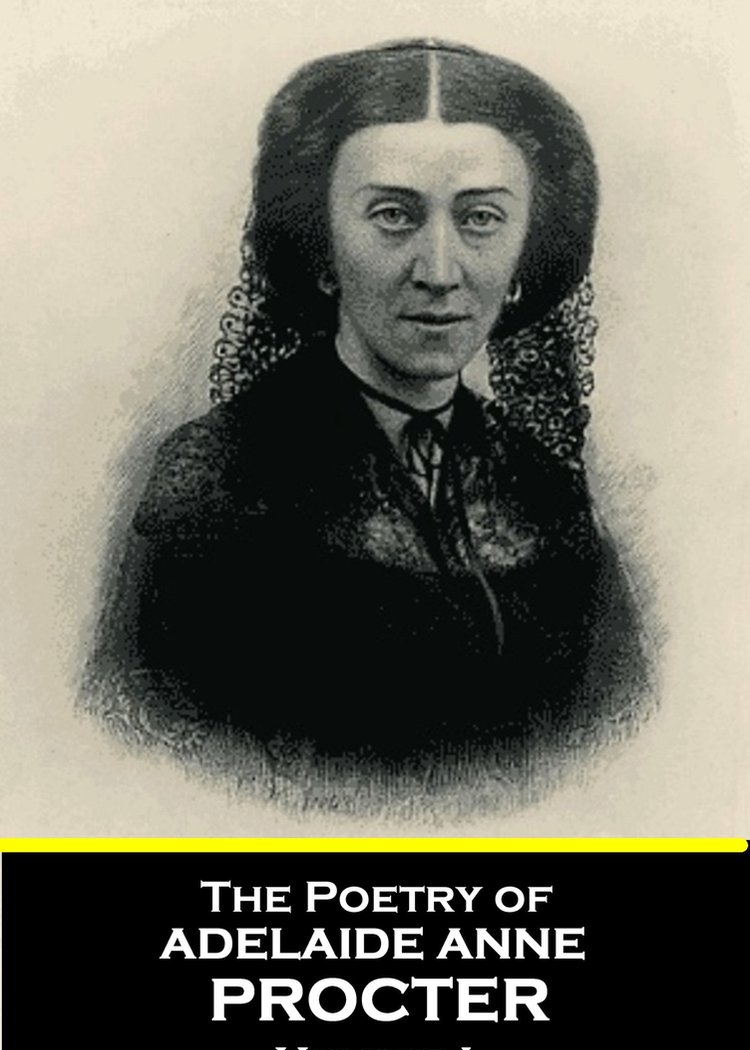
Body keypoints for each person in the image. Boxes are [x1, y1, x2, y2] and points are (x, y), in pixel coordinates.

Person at [87, 39, 651, 786]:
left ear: (527, 255)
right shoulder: (218, 481)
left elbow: (613, 737)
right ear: (321, 247)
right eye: (393, 215)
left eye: (481, 218)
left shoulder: (547, 491)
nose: (439, 271)